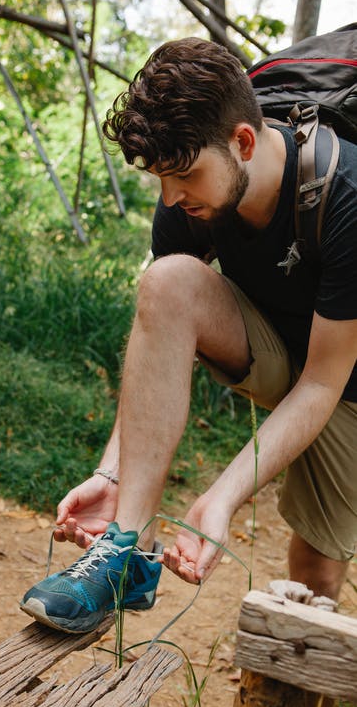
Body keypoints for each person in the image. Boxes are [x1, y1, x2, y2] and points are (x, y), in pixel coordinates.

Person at [20, 37, 357, 633]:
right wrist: (110, 472)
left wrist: (220, 498)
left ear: (243, 143)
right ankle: (125, 548)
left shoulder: (346, 194)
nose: (170, 198)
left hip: (344, 377)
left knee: (315, 571)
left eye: (183, 176)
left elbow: (322, 383)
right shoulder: (184, 194)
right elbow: (158, 330)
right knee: (166, 282)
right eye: (159, 178)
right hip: (276, 345)